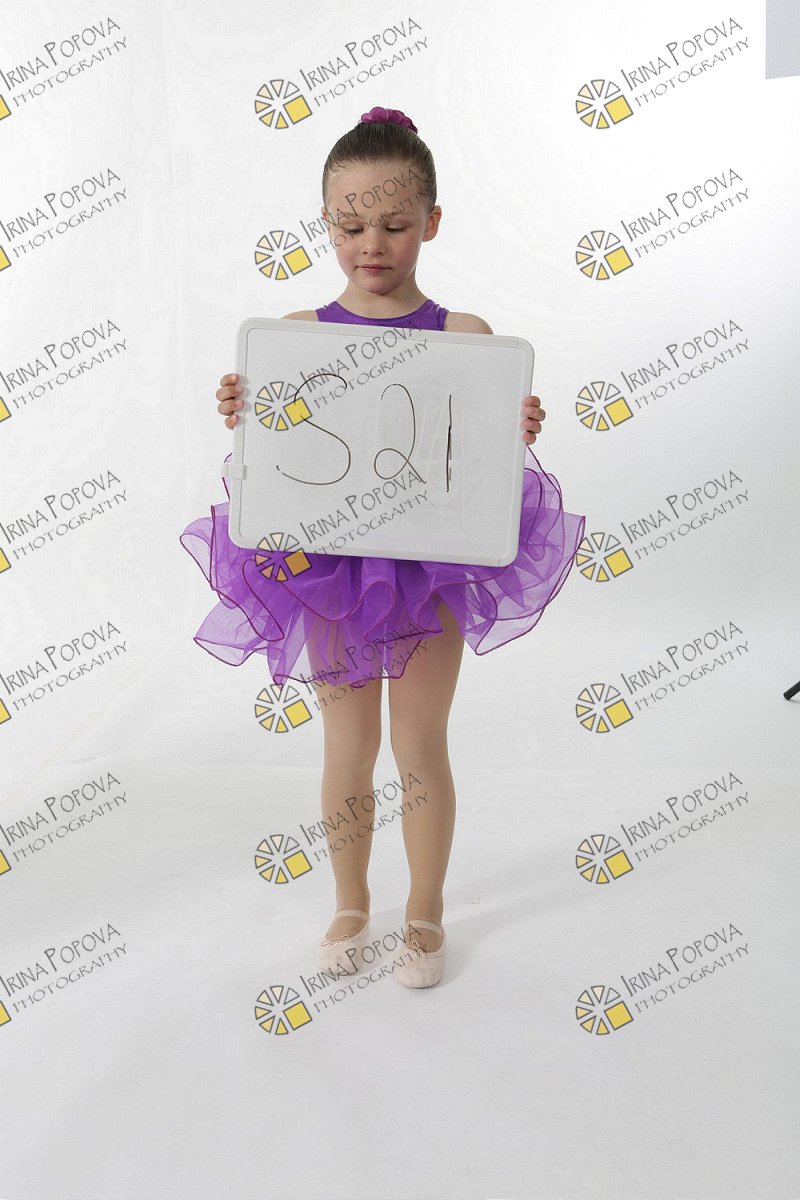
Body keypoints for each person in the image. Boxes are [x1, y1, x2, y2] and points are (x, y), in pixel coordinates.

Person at [180, 106, 586, 988]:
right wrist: (247, 410)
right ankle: (351, 901)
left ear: (430, 223)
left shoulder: (464, 336)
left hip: (430, 565)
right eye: (351, 224)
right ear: (326, 224)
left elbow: (476, 464)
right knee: (347, 744)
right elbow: (281, 458)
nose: (372, 244)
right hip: (332, 569)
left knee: (420, 742)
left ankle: (425, 908)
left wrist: (512, 423)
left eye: (395, 225)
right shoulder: (298, 332)